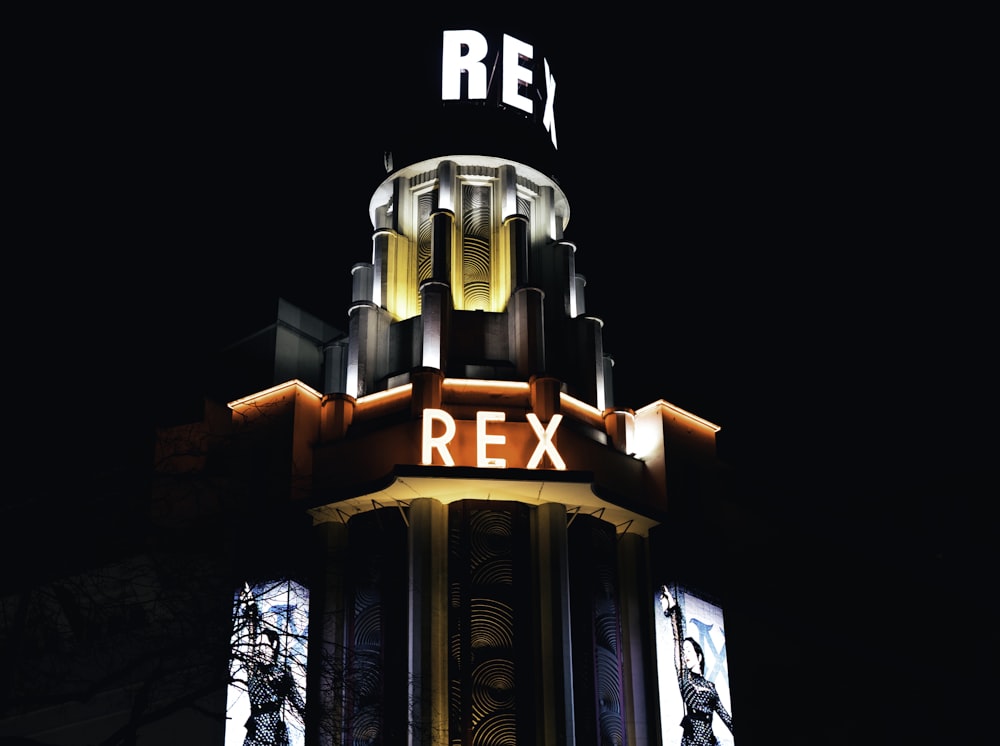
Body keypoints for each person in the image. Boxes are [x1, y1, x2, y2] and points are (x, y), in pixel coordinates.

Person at [659, 586, 734, 746]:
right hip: (691, 742)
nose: (685, 654)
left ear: (699, 656)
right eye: (683, 651)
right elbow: (677, 639)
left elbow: (726, 717)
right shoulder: (683, 677)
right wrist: (673, 611)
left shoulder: (710, 687)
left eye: (688, 650)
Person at [243, 628, 305, 746]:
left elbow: (297, 701)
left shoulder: (282, 673)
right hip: (254, 732)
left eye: (264, 645)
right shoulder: (253, 670)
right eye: (258, 646)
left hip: (273, 731)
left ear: (274, 645)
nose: (260, 650)